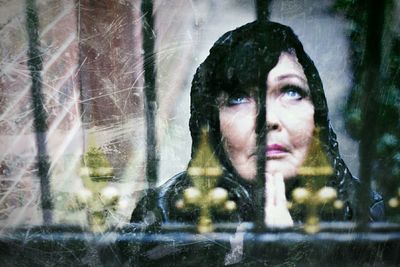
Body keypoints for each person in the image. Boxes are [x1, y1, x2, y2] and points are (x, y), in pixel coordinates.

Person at [130, 20, 384, 227]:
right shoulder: (161, 218)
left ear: (316, 113)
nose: (268, 120)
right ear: (212, 122)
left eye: (291, 92)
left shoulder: (366, 214)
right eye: (239, 98)